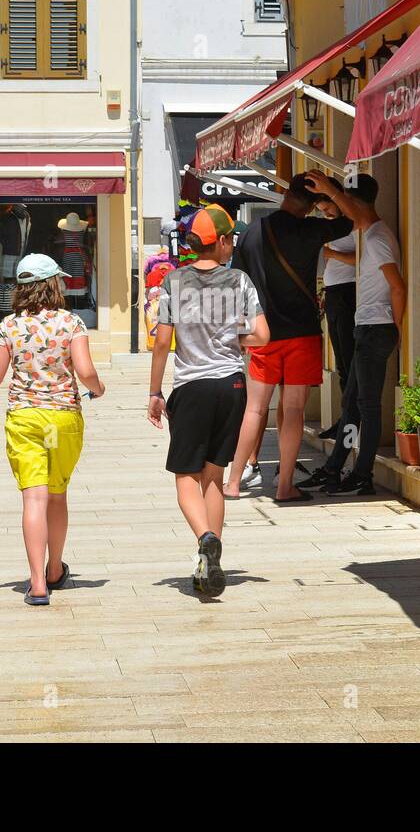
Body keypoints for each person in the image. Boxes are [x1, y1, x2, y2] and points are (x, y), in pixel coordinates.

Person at [223, 170, 369, 502]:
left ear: (285, 193)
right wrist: (332, 191)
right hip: (301, 334)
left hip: (263, 334)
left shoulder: (251, 233)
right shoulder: (311, 230)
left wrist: (242, 330)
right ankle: (285, 485)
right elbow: (359, 219)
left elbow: (238, 285)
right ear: (315, 203)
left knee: (254, 410)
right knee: (293, 411)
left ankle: (233, 483)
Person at [148, 205, 268, 596]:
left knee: (186, 476)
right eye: (230, 239)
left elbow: (163, 340)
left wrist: (154, 392)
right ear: (219, 242)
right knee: (214, 475)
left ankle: (204, 539)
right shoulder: (240, 281)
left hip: (192, 387)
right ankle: (210, 556)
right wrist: (234, 340)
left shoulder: (174, 282)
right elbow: (262, 336)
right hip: (232, 385)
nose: (233, 245)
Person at [0, 253, 104, 607]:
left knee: (34, 498)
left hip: (25, 419)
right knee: (57, 495)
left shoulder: (9, 326)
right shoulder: (72, 323)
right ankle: (54, 569)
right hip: (61, 419)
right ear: (52, 284)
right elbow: (85, 370)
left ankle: (35, 584)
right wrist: (98, 387)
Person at [299, 172, 406, 496]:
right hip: (368, 328)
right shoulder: (369, 234)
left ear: (357, 203)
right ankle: (335, 467)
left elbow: (397, 286)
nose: (341, 211)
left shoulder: (377, 238)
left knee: (367, 407)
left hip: (377, 328)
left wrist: (396, 329)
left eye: (346, 204)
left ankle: (362, 475)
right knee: (352, 405)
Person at [317, 197, 357, 440]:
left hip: (347, 293)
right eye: (321, 211)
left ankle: (351, 422)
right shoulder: (333, 226)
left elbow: (360, 257)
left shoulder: (353, 224)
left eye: (328, 208)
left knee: (349, 362)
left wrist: (331, 253)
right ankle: (346, 420)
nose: (326, 214)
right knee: (342, 362)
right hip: (333, 294)